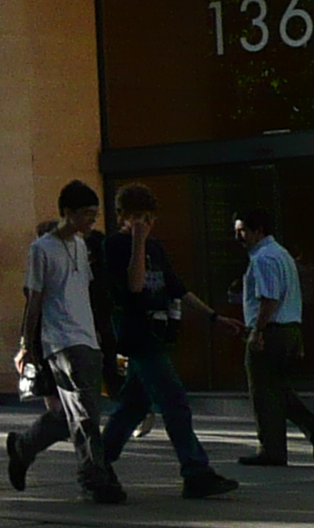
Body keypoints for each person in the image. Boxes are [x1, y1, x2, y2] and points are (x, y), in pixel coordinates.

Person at [96, 185, 240, 499]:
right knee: (174, 401)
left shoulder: (157, 249)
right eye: (136, 218)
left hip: (157, 334)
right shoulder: (116, 246)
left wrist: (214, 317)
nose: (144, 224)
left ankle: (98, 462)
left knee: (133, 405)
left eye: (148, 218)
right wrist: (136, 243)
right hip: (137, 335)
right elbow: (134, 286)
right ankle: (195, 470)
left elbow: (178, 288)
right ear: (122, 217)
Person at [8, 182, 120, 503]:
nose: (91, 221)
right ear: (67, 213)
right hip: (62, 341)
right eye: (86, 214)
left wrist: (98, 332)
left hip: (87, 339)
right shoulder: (41, 249)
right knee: (85, 414)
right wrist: (27, 344)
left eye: (95, 215)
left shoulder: (81, 246)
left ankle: (23, 446)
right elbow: (35, 298)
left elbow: (85, 292)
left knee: (73, 414)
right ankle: (93, 478)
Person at [228, 206, 314, 466]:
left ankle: (272, 449)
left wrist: (258, 331)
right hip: (288, 329)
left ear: (258, 230)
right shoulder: (281, 254)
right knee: (276, 388)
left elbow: (269, 298)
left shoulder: (264, 258)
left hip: (272, 331)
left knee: (263, 393)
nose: (238, 238)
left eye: (242, 231)